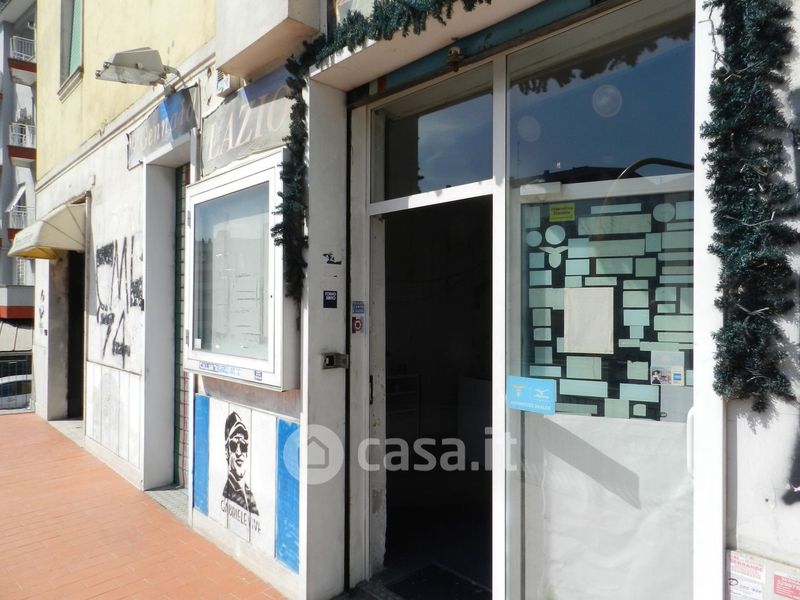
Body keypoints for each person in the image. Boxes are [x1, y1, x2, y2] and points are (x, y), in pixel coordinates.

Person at [222, 411, 259, 515]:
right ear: (227, 452)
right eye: (234, 445)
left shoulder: (249, 493)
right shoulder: (228, 492)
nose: (239, 452)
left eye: (243, 446)